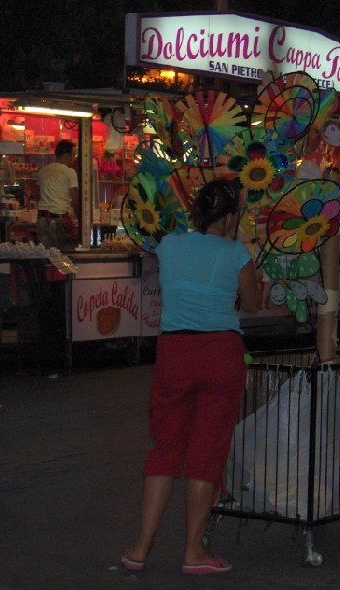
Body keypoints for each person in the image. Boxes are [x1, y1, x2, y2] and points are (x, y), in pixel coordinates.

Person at [123, 179, 262, 576]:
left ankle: (140, 548)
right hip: (220, 353)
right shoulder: (238, 253)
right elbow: (252, 305)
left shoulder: (169, 246)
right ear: (231, 217)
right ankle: (193, 551)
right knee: (206, 451)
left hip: (174, 352)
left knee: (165, 446)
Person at [36, 139, 78, 250]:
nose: (75, 158)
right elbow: (74, 199)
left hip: (42, 220)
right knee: (65, 256)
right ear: (66, 156)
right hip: (60, 221)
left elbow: (37, 196)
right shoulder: (70, 172)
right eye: (73, 155)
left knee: (46, 256)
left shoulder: (43, 171)